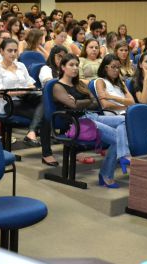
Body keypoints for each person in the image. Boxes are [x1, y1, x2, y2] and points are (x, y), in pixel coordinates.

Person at [52, 54, 127, 187]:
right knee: (118, 138)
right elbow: (73, 106)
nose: (75, 68)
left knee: (125, 120)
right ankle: (108, 172)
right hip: (77, 123)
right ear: (63, 67)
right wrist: (84, 102)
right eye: (71, 65)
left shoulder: (80, 84)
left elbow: (94, 103)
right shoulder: (57, 87)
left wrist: (79, 102)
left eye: (77, 65)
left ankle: (121, 158)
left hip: (91, 116)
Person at [0, 39, 53, 163]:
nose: (13, 54)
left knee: (45, 98)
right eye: (9, 51)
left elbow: (30, 84)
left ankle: (31, 131)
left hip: (25, 98)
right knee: (46, 116)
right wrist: (20, 92)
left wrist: (28, 89)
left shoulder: (21, 65)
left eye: (15, 51)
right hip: (9, 102)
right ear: (2, 51)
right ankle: (46, 154)